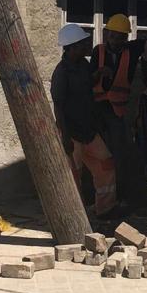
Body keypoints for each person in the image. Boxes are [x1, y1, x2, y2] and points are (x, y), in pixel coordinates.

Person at [50, 23, 117, 219]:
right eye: (82, 44)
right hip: (72, 133)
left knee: (106, 165)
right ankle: (74, 217)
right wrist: (65, 138)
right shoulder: (61, 73)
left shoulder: (83, 65)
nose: (86, 46)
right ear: (71, 47)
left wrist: (99, 74)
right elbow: (58, 107)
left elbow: (88, 85)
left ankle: (104, 209)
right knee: (73, 176)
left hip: (89, 130)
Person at [90, 14, 147, 211]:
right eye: (113, 37)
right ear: (107, 34)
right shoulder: (99, 52)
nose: (116, 41)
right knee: (101, 156)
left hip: (119, 111)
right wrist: (98, 74)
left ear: (126, 39)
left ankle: (120, 197)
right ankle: (100, 198)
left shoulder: (130, 51)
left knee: (119, 154)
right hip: (99, 109)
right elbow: (89, 79)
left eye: (120, 38)